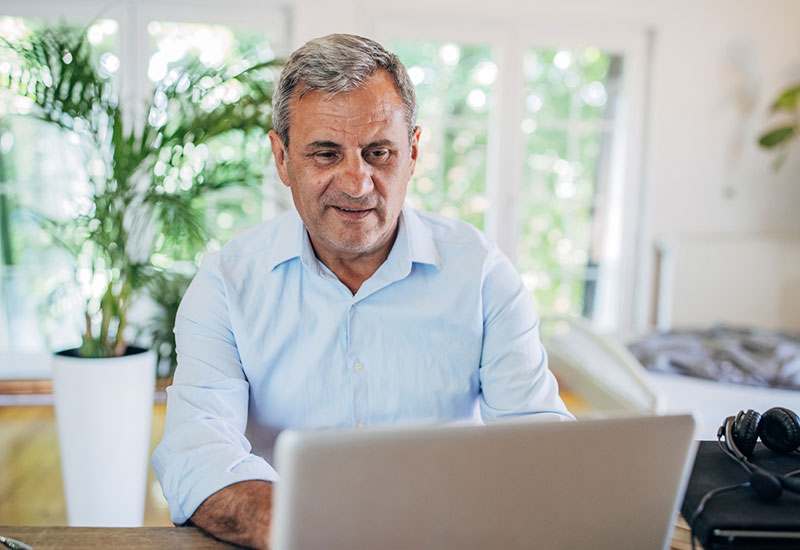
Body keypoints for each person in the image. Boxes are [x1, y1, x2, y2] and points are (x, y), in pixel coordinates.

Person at [152, 33, 573, 549]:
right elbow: (195, 451)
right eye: (326, 154)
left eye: (379, 153)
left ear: (413, 151)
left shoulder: (482, 274)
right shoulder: (225, 284)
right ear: (282, 158)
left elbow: (538, 444)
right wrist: (314, 528)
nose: (357, 182)